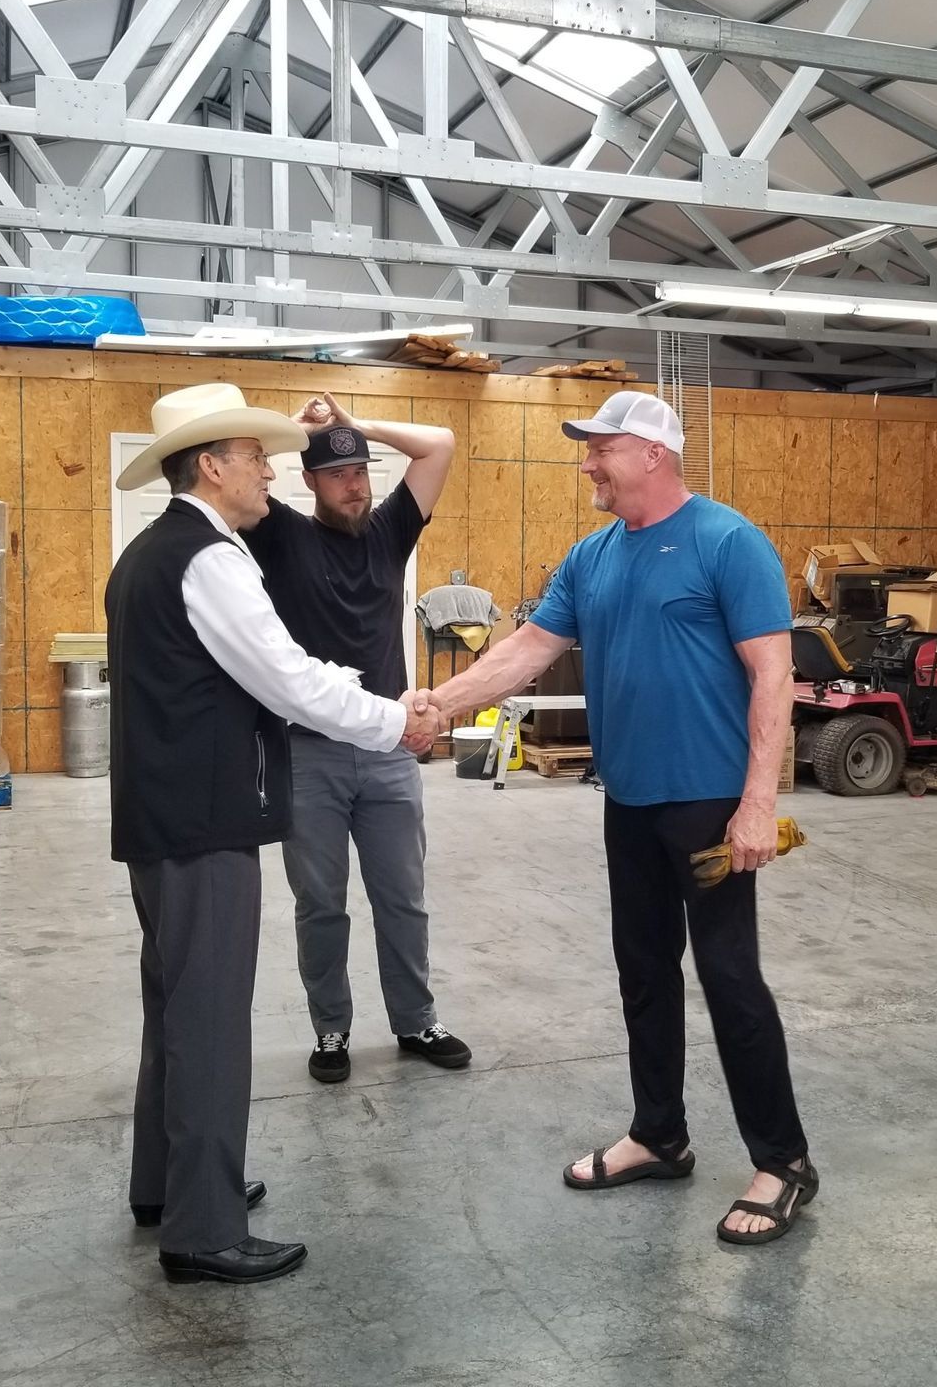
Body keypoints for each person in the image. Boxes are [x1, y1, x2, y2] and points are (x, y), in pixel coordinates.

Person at [425, 390, 816, 1245]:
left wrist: (759, 803)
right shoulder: (593, 555)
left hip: (709, 803)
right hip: (630, 798)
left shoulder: (728, 542)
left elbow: (772, 677)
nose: (587, 464)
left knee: (729, 978)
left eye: (599, 449)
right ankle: (659, 1133)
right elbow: (528, 650)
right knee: (642, 970)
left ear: (652, 454)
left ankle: (782, 1162)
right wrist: (438, 703)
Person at [106, 382, 441, 1286]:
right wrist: (393, 721)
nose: (269, 472)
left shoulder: (155, 551)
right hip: (202, 819)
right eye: (255, 457)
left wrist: (368, 702)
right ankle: (202, 1230)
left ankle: (165, 1187)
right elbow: (287, 680)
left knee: (173, 1008)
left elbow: (276, 667)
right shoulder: (210, 560)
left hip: (161, 816)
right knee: (210, 1019)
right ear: (212, 467)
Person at [241, 391, 471, 1083]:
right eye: (338, 474)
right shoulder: (279, 532)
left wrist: (353, 425)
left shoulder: (391, 531)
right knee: (322, 905)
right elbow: (236, 468)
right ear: (308, 481)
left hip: (388, 748)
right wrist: (297, 431)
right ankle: (331, 1030)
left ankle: (415, 1021)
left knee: (402, 897)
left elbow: (440, 442)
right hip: (307, 752)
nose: (355, 484)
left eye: (361, 470)